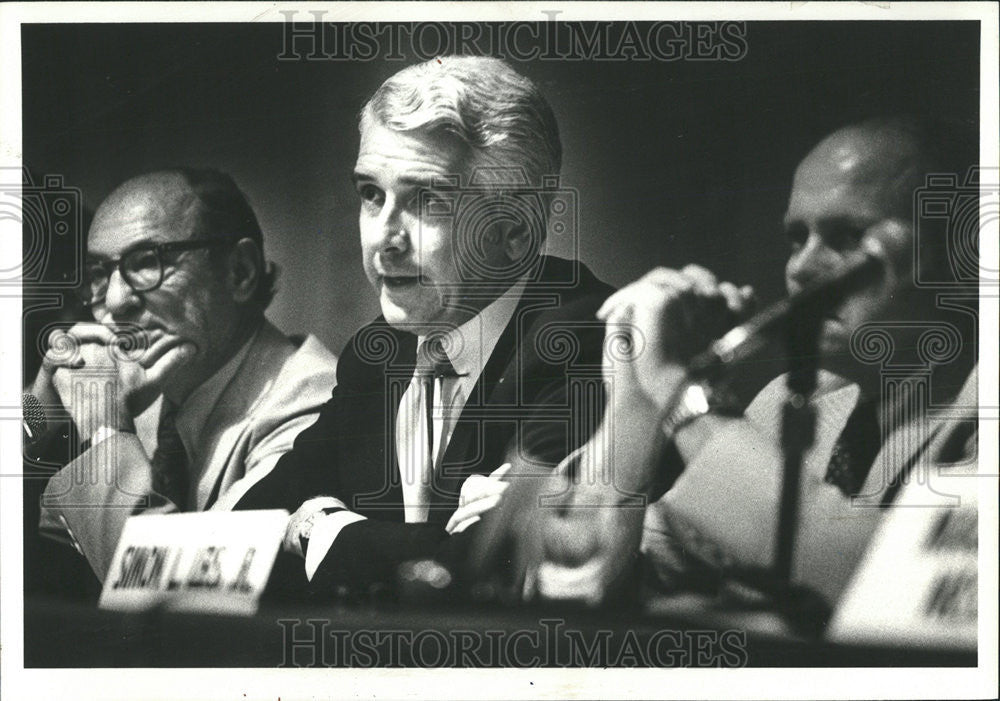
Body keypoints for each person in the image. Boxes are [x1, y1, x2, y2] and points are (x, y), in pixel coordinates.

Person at [516, 116, 979, 614]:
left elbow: (899, 592)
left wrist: (682, 396)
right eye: (797, 238)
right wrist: (636, 405)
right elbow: (583, 589)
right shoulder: (787, 404)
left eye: (846, 235)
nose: (801, 267)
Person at [235, 56, 613, 596]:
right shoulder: (378, 353)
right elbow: (246, 526)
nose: (384, 238)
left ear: (517, 232)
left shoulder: (586, 339)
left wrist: (319, 525)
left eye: (428, 200)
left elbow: (483, 571)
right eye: (371, 194)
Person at [32, 168, 338, 583]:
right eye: (100, 274)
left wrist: (105, 433)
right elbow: (40, 562)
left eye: (147, 262)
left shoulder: (320, 405)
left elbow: (186, 591)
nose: (115, 302)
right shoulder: (140, 387)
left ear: (240, 272)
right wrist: (39, 416)